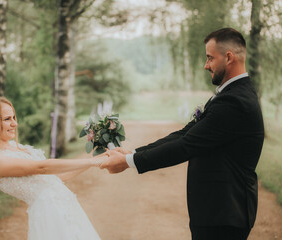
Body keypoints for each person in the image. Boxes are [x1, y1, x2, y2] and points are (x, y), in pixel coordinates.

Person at [100, 28, 265, 240]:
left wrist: (129, 162)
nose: (206, 65)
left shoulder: (235, 102)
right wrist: (132, 153)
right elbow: (184, 134)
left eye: (209, 58)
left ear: (229, 57)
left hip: (224, 214)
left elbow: (186, 146)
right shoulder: (232, 95)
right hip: (217, 211)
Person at [0, 96, 105, 240]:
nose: (15, 123)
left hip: (66, 206)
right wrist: (92, 163)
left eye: (14, 117)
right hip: (49, 214)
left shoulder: (17, 147)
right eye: (7, 119)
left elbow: (55, 179)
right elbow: (42, 167)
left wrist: (94, 158)